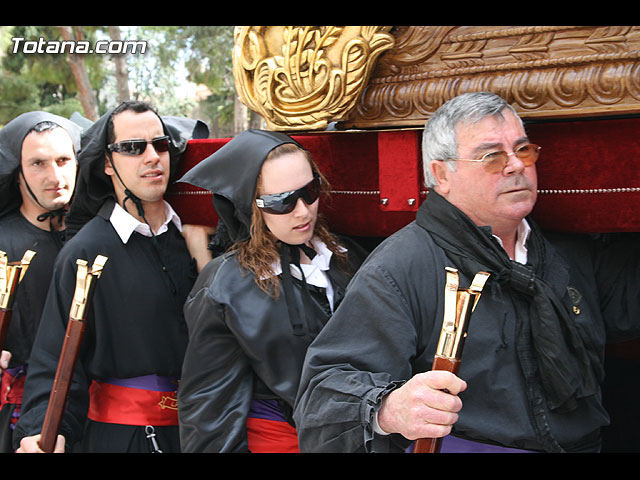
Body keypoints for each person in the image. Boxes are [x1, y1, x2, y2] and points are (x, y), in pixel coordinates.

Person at [293, 91, 640, 453]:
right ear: (442, 175)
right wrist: (387, 408)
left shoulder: (569, 253)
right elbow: (322, 396)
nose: (516, 165)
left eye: (523, 150)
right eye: (492, 156)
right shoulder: (399, 269)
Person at [12, 100, 209, 453]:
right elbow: (56, 360)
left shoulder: (197, 237)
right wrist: (42, 428)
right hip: (126, 440)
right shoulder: (85, 253)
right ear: (107, 163)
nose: (152, 157)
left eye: (160, 144)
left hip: (207, 433)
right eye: (133, 148)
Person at [177, 130, 367, 452]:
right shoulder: (225, 287)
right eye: (282, 202)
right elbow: (209, 411)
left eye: (310, 191)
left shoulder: (345, 257)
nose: (304, 211)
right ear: (250, 205)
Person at [0, 111, 82, 452]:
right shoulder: (2, 242)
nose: (55, 176)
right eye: (38, 164)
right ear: (18, 175)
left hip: (97, 415)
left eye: (64, 160)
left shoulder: (97, 236)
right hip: (23, 420)